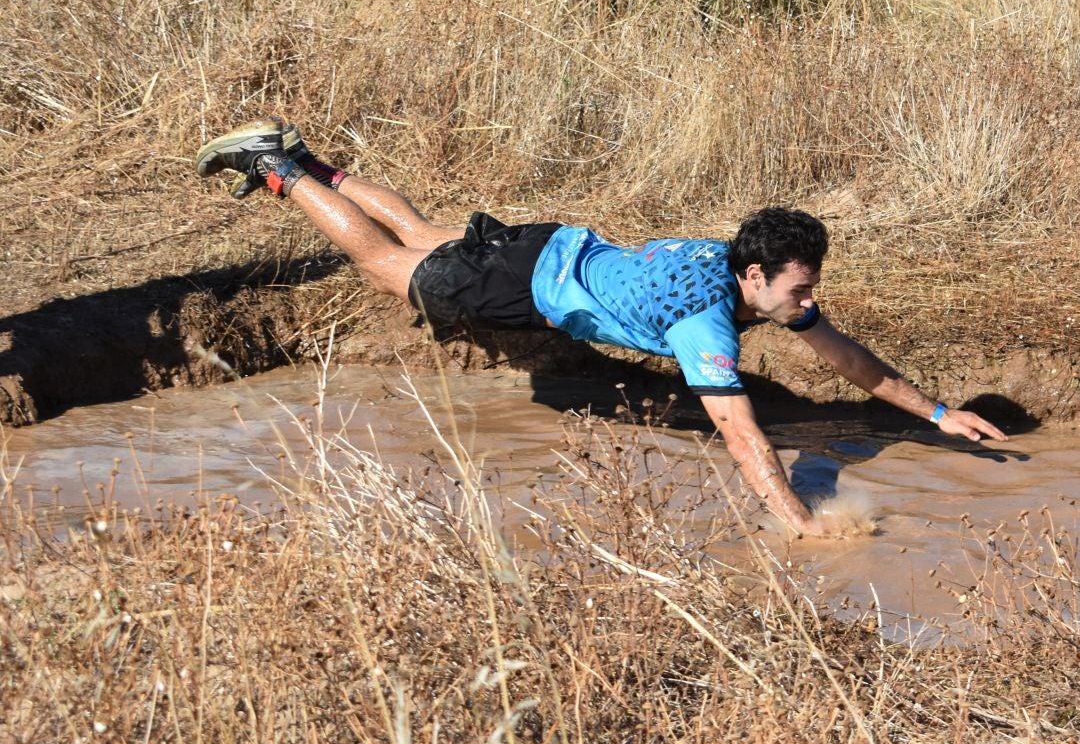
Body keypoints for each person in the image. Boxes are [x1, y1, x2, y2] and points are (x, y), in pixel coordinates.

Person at [194, 118, 1008, 537]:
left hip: (553, 240)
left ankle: (313, 160)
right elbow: (743, 437)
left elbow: (849, 361)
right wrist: (801, 526)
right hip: (525, 279)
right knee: (384, 262)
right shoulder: (707, 325)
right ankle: (278, 168)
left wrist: (937, 415)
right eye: (802, 287)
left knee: (420, 231)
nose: (809, 301)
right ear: (756, 277)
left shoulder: (737, 266)